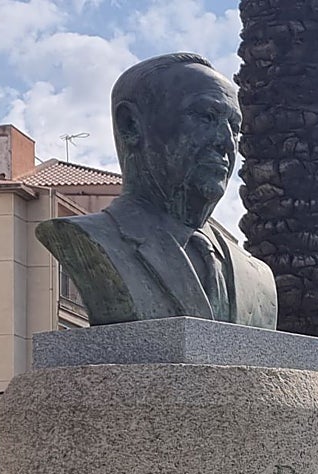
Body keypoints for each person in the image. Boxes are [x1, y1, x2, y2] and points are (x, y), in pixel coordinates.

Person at [37, 53, 278, 328]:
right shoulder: (90, 240)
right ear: (131, 125)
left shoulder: (258, 278)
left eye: (235, 128)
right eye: (207, 117)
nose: (226, 142)